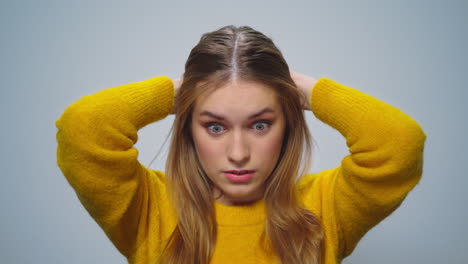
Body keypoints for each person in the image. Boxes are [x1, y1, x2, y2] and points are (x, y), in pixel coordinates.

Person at [55, 25, 426, 264]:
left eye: (260, 124)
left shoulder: (323, 208)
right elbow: (82, 128)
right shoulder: (150, 208)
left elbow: (400, 143)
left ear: (288, 124)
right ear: (188, 129)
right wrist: (183, 90)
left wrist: (299, 87)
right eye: (215, 126)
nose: (238, 153)